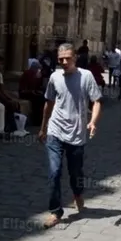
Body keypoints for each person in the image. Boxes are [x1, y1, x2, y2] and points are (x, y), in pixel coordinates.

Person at [39, 43, 102, 228]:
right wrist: (43, 128)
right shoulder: (54, 77)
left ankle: (77, 193)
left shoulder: (86, 76)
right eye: (61, 59)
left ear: (75, 58)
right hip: (55, 131)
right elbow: (49, 103)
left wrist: (93, 122)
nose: (64, 62)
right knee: (54, 172)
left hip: (76, 134)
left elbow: (97, 101)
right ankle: (55, 211)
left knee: (75, 172)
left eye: (68, 58)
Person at [0, 55, 21, 133]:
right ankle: (10, 127)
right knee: (8, 104)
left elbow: (2, 89)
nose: (0, 66)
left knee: (15, 103)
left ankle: (17, 126)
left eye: (1, 64)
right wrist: (6, 100)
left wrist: (10, 98)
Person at [19, 59, 45, 125]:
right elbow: (23, 89)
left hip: (32, 93)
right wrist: (32, 91)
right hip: (25, 93)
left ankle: (40, 119)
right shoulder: (27, 73)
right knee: (38, 100)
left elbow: (37, 86)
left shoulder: (37, 75)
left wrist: (38, 91)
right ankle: (37, 121)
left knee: (42, 98)